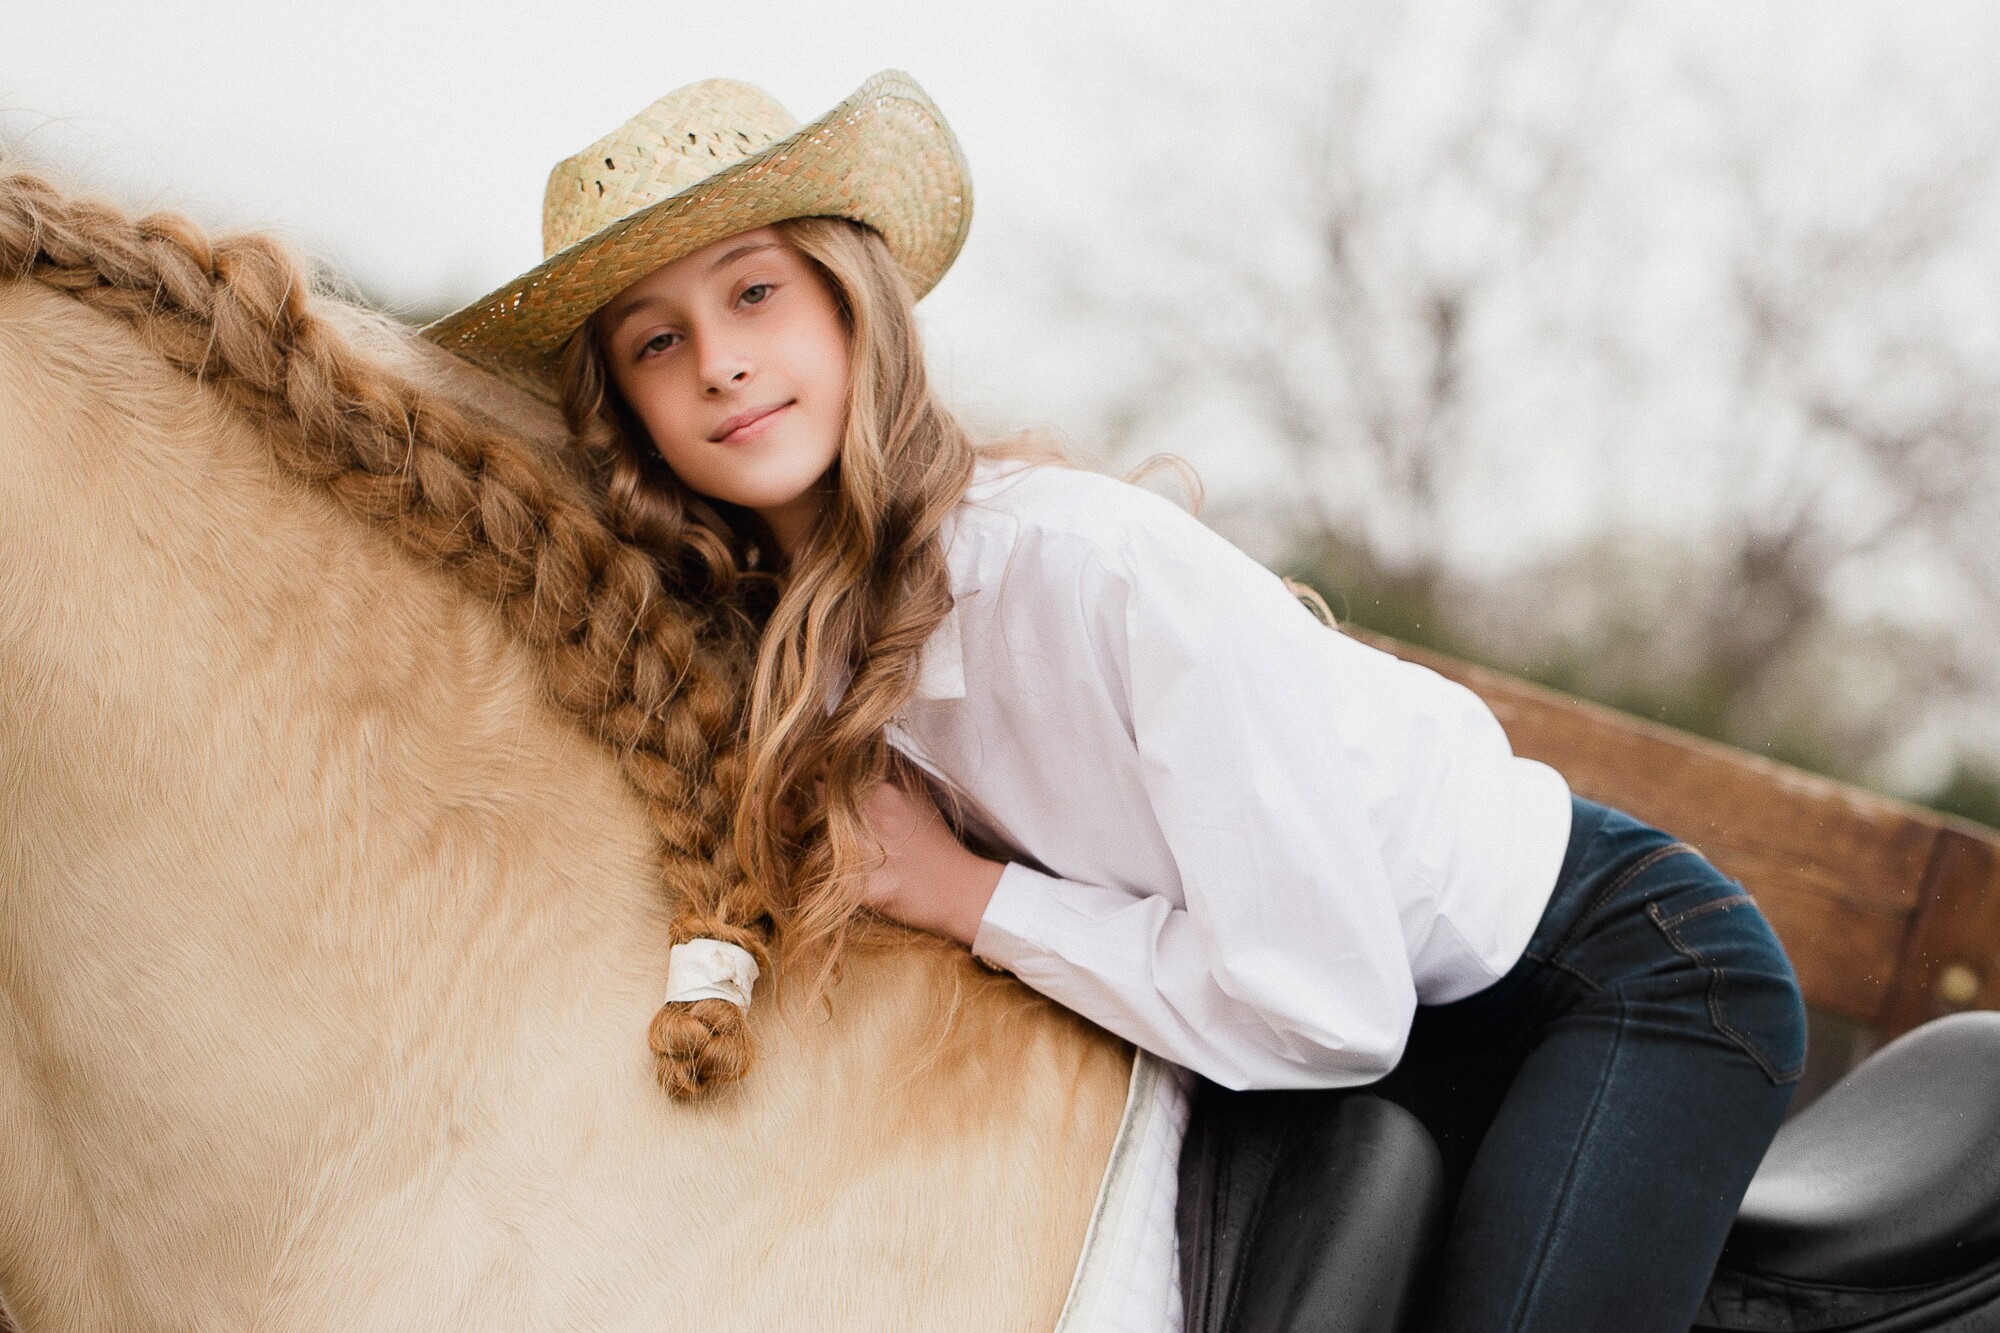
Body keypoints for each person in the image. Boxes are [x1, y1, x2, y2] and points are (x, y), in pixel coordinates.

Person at [423, 70, 1809, 1333]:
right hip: (1331, 1018)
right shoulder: (795, 657)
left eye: (755, 293)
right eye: (656, 342)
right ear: (632, 410)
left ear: (852, 304)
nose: (718, 358)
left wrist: (966, 893)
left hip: (1607, 978)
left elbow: (1330, 1003)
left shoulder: (1083, 571)